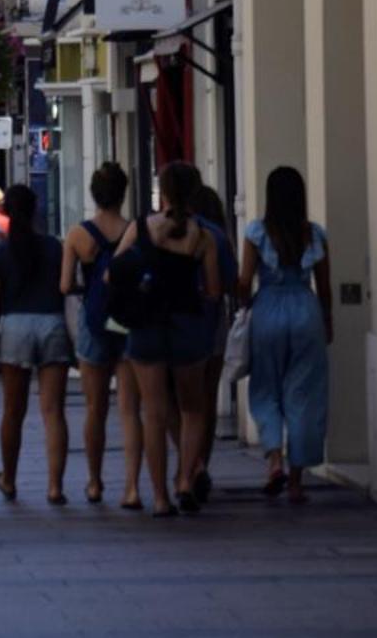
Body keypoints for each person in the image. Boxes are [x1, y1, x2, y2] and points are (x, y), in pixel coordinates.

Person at [113, 162, 221, 517]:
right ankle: (186, 480)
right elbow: (214, 290)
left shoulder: (141, 227)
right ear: (194, 193)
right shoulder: (202, 237)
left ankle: (159, 497)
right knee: (193, 409)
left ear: (164, 190)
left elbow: (113, 274)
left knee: (155, 414)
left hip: (146, 326)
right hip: (187, 326)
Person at [239, 166, 332, 505]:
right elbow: (324, 288)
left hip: (268, 311)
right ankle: (296, 481)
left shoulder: (257, 233)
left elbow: (244, 281)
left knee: (266, 388)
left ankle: (274, 460)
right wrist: (327, 323)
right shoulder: (315, 235)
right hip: (306, 313)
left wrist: (242, 306)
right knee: (304, 395)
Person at [0, 184, 72, 504]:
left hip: (15, 327)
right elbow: (67, 288)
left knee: (12, 411)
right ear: (36, 211)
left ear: (5, 212)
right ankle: (55, 486)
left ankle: (9, 478)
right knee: (53, 411)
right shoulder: (54, 247)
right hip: (51, 322)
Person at [61, 161, 142, 508]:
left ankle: (95, 482)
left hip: (95, 322)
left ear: (94, 194)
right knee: (130, 409)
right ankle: (133, 487)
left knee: (96, 408)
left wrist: (89, 284)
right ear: (123, 194)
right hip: (127, 320)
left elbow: (65, 285)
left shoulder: (78, 235)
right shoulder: (136, 230)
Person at [183, 184, 238, 501]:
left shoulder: (173, 230)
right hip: (212, 320)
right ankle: (201, 462)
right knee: (205, 399)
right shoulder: (217, 235)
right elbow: (230, 281)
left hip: (180, 322)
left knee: (182, 401)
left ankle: (192, 464)